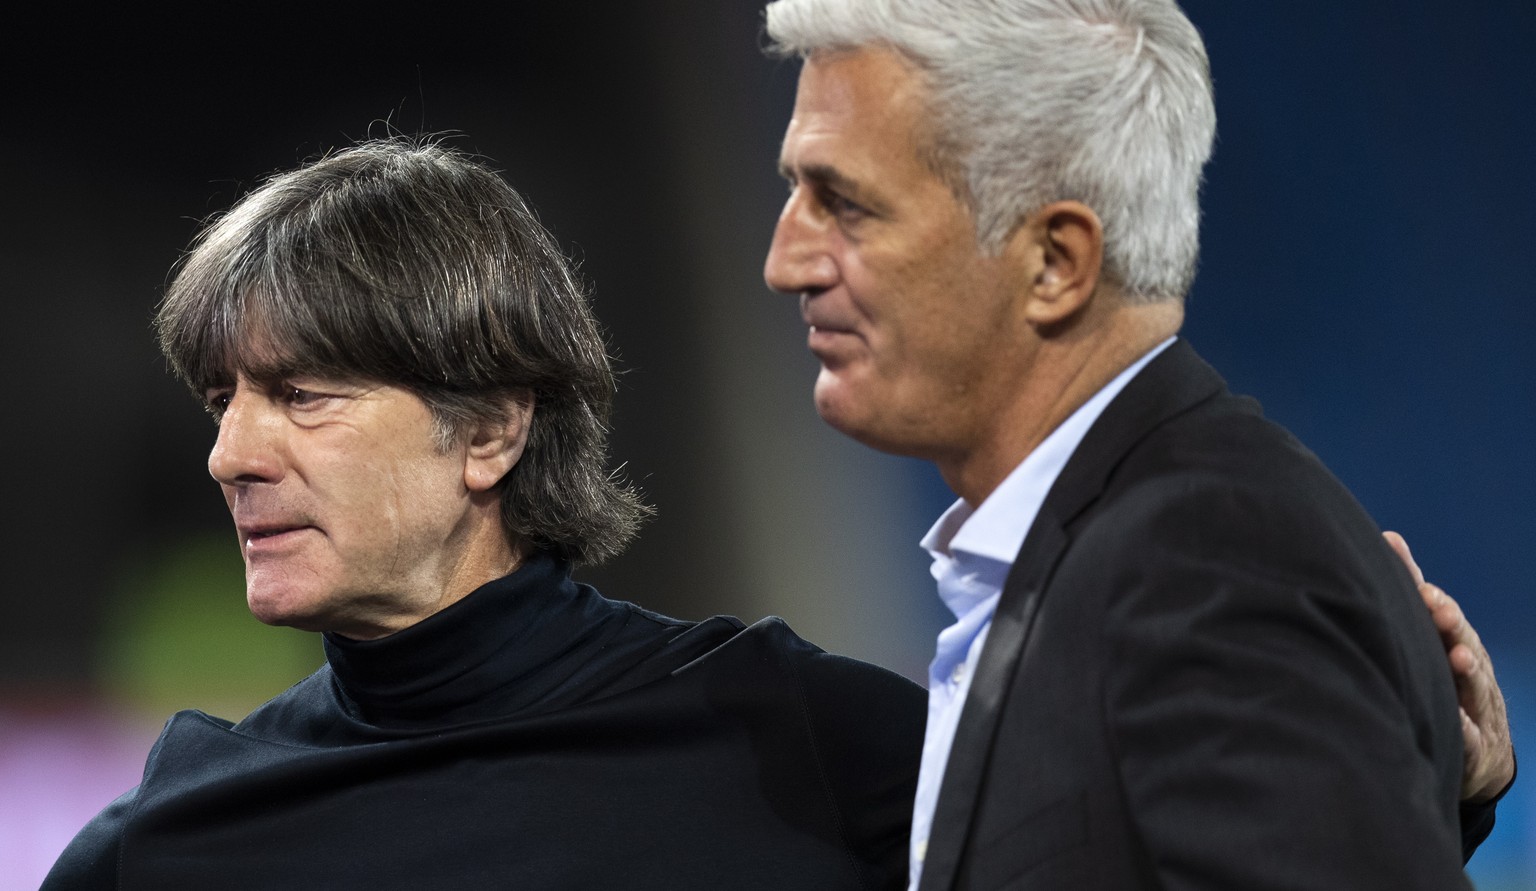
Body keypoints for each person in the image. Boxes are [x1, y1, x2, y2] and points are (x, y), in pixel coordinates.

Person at [760, 0, 1516, 888]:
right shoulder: (1111, 555)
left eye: (843, 203)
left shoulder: (1210, 563)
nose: (785, 261)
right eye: (793, 191)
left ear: (1055, 262)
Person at [42, 139, 923, 890]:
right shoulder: (178, 831)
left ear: (493, 428)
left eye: (301, 393)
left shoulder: (801, 734)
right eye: (220, 401)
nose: (229, 455)